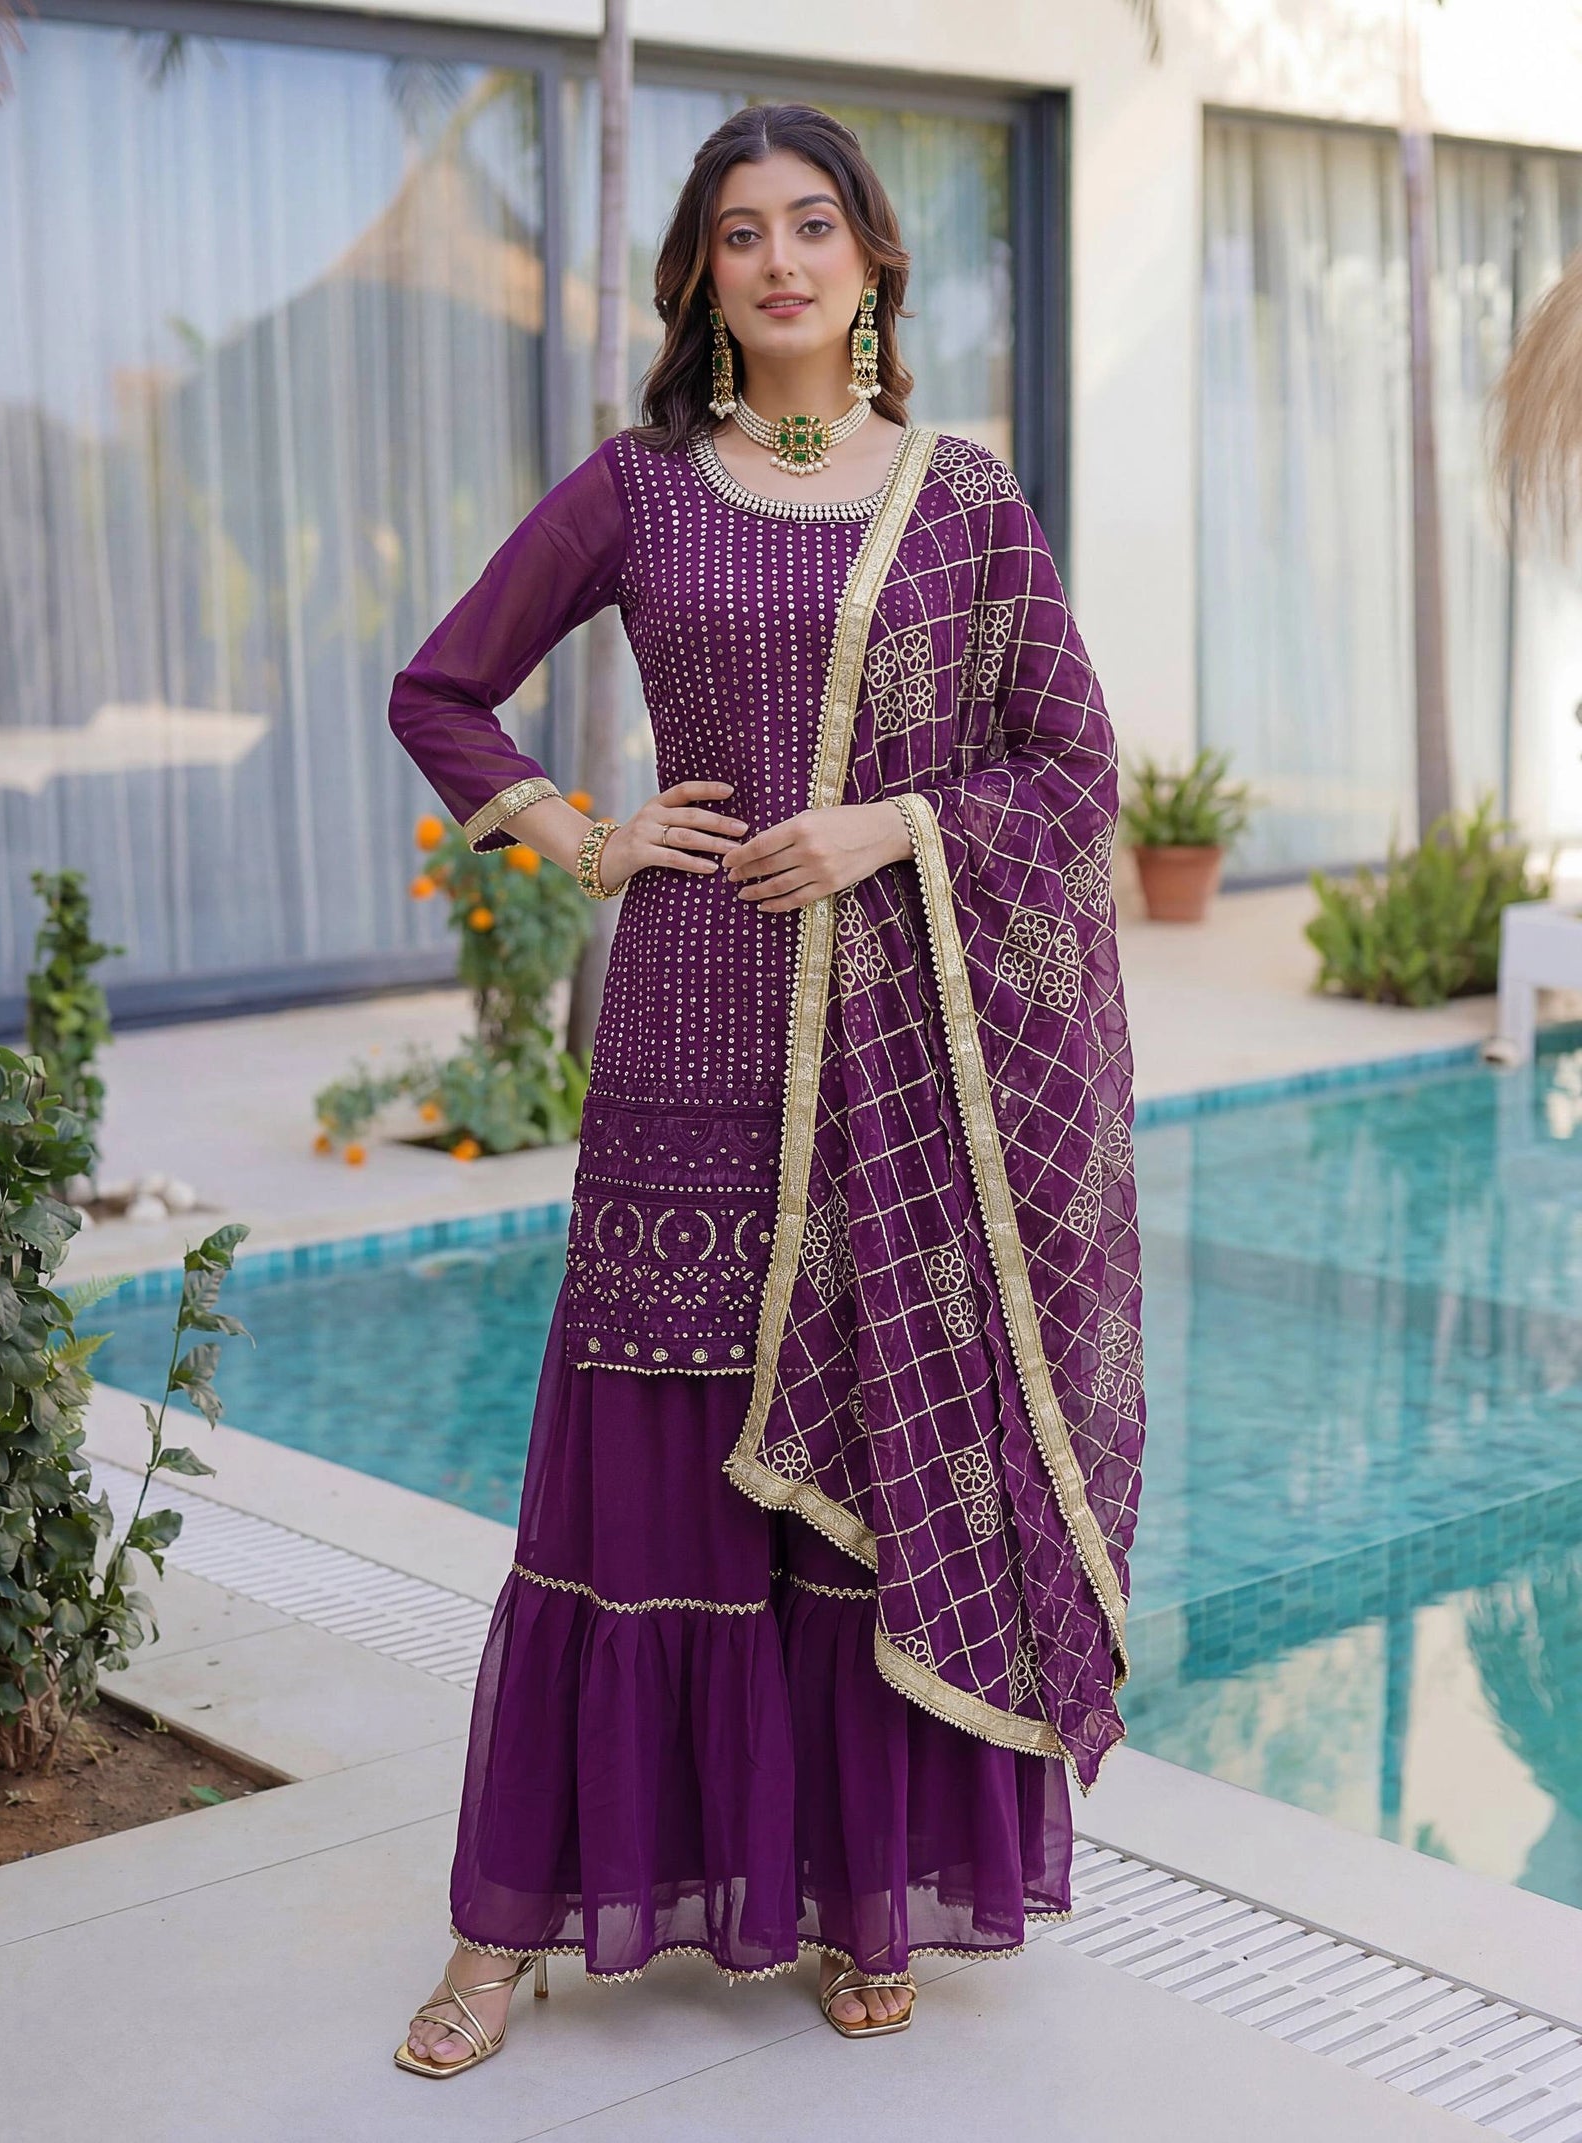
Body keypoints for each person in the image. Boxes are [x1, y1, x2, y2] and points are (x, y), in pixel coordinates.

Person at [386, 100, 1145, 2074]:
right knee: (631, 1475)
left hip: (892, 1065)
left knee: (862, 1476)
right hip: (688, 1032)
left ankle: (850, 1890)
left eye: (816, 224)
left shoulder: (961, 498)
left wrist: (889, 823)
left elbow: (1072, 775)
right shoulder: (639, 486)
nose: (784, 260)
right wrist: (578, 833)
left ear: (873, 262)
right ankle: (505, 1926)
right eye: (742, 233)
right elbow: (436, 688)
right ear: (702, 277)